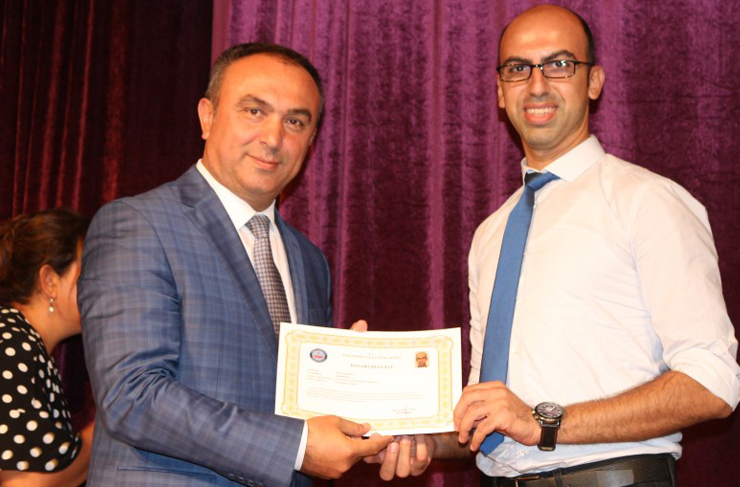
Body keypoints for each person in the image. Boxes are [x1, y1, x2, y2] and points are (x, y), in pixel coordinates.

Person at [369, 5, 740, 486]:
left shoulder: (648, 201)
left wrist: (545, 422)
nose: (537, 85)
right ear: (500, 91)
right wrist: (420, 439)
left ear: (594, 82)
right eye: (518, 68)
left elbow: (712, 381)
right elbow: (495, 415)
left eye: (559, 64)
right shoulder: (491, 233)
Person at [78, 42, 391, 487]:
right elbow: (134, 397)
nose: (273, 138)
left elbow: (300, 409)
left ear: (311, 141)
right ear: (207, 117)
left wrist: (362, 407)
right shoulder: (137, 224)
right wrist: (297, 446)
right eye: (254, 111)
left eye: (295, 121)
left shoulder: (310, 260)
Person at [0, 208, 94, 487]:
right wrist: (112, 422)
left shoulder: (20, 341)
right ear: (50, 281)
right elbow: (22, 482)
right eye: (88, 273)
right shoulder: (12, 341)